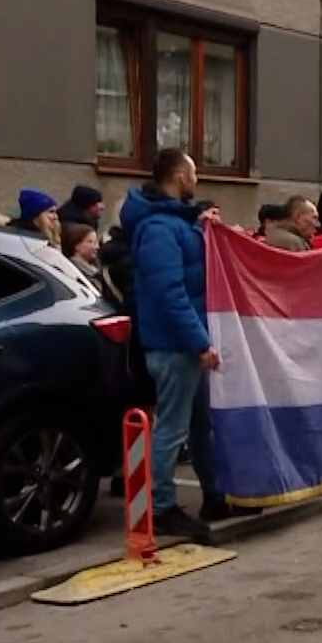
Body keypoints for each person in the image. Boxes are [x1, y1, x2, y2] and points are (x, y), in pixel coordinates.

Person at [119, 148, 234, 539]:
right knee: (172, 426)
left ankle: (215, 494)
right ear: (181, 177)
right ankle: (162, 506)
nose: (198, 180)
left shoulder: (173, 224)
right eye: (195, 173)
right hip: (174, 347)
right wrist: (200, 341)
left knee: (201, 423)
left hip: (185, 342)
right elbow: (170, 293)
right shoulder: (158, 230)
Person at [61, 222, 102, 292]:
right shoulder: (73, 272)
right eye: (90, 242)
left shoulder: (96, 268)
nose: (97, 247)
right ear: (76, 245)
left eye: (96, 242)